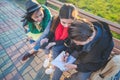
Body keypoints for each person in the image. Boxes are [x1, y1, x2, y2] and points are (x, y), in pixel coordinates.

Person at [40, 3, 78, 74]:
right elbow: (52, 31)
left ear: (74, 19)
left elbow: (68, 41)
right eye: (63, 22)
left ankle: (53, 66)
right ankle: (47, 57)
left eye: (69, 23)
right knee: (45, 44)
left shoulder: (75, 26)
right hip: (57, 38)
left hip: (65, 43)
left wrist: (53, 43)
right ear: (60, 17)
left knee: (55, 49)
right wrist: (47, 38)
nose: (66, 26)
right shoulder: (56, 19)